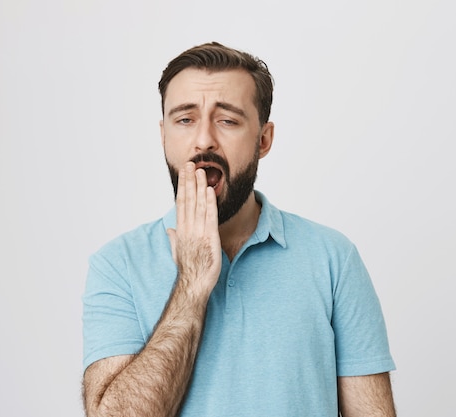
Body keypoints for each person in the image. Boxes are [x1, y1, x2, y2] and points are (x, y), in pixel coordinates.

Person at [82, 42, 396, 417]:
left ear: (263, 139)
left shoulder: (333, 258)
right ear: (163, 135)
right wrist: (192, 283)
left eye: (227, 120)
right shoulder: (117, 265)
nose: (203, 140)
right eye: (185, 119)